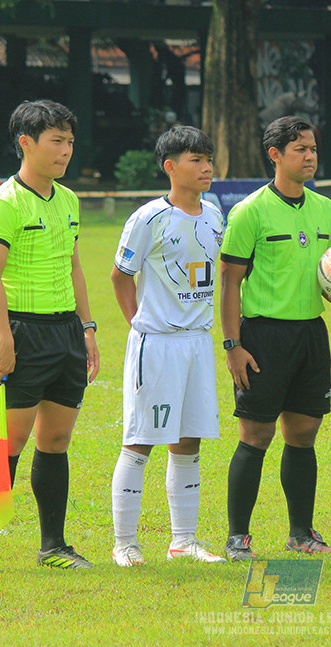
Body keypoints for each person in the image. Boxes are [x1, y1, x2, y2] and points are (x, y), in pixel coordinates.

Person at [0, 99, 100, 573]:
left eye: (69, 141)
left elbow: (74, 267)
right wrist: (3, 339)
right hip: (21, 332)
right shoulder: (2, 202)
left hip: (65, 331)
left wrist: (87, 329)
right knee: (9, 441)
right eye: (56, 141)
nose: (66, 151)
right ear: (26, 142)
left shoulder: (69, 200)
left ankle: (54, 547)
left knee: (57, 439)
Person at [219, 115, 331, 560]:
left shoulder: (325, 209)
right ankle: (238, 537)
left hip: (311, 334)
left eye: (313, 149)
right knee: (255, 434)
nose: (310, 156)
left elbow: (324, 272)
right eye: (300, 149)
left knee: (304, 434)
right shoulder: (249, 211)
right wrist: (233, 347)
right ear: (275, 155)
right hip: (262, 336)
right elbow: (230, 282)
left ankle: (301, 534)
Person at [109, 126, 227, 567]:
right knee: (140, 440)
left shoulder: (215, 215)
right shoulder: (148, 218)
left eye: (208, 158)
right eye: (196, 159)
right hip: (156, 344)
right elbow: (121, 275)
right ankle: (125, 543)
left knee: (189, 440)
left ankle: (184, 540)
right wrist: (138, 323)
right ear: (170, 167)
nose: (206, 167)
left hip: (198, 344)